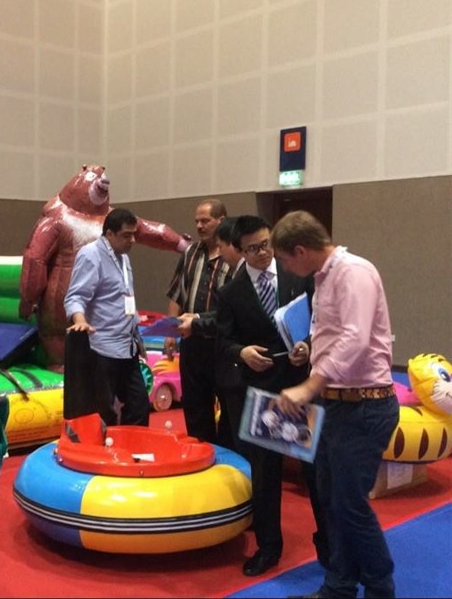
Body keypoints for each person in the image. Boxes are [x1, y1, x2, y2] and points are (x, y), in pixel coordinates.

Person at [273, 211, 399, 599]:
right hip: (336, 405)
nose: (287, 269)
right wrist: (309, 351)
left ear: (300, 250)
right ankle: (339, 587)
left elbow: (356, 339)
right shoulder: (324, 278)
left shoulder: (353, 272)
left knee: (349, 504)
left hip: (364, 406)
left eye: (286, 260)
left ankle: (380, 588)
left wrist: (310, 384)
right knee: (331, 501)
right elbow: (334, 334)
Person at [215, 215, 327, 577]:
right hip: (260, 390)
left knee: (315, 471)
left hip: (298, 385)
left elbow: (320, 322)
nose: (262, 253)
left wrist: (306, 345)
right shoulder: (231, 293)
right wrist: (242, 352)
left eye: (265, 245)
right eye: (253, 249)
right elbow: (222, 340)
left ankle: (329, 543)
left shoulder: (297, 275)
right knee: (264, 473)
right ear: (239, 251)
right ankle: (268, 546)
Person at [63, 208, 150, 427]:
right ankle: (104, 447)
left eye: (134, 234)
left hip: (127, 347)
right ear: (109, 234)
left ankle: (132, 447)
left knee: (139, 405)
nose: (132, 240)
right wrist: (80, 321)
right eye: (126, 235)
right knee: (104, 412)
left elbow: (124, 297)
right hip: (102, 349)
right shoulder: (91, 254)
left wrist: (138, 334)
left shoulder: (124, 258)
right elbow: (75, 296)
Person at [166, 198, 233, 443]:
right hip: (192, 343)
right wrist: (170, 331)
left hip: (222, 344)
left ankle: (226, 456)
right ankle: (200, 452)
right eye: (197, 221)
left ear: (221, 221)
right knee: (195, 405)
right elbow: (176, 294)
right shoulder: (190, 253)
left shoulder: (233, 255)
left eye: (205, 221)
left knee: (228, 407)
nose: (199, 226)